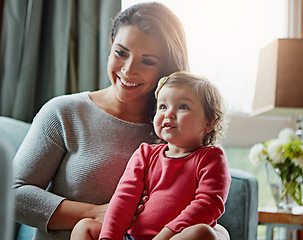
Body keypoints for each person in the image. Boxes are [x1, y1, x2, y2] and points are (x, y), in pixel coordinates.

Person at [13, 2, 229, 240]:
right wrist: (97, 214)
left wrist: (214, 235)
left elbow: (207, 208)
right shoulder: (63, 113)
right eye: (121, 53)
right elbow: (12, 195)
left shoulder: (174, 130)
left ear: (165, 70)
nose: (128, 70)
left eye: (147, 61)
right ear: (110, 47)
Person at [71, 71, 231, 240]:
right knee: (84, 227)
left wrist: (164, 236)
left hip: (172, 237)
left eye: (183, 106)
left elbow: (207, 205)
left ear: (209, 122)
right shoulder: (145, 153)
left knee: (203, 233)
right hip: (130, 236)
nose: (169, 113)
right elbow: (124, 199)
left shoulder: (212, 158)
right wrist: (109, 238)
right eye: (163, 106)